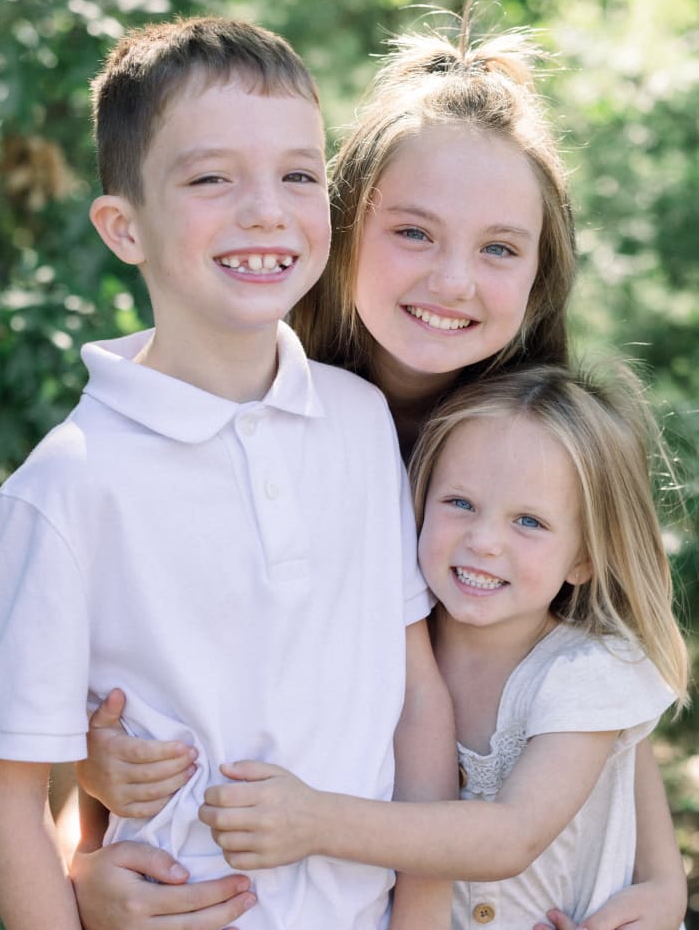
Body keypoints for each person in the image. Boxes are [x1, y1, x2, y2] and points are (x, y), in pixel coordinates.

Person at [69, 0, 688, 930]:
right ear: (339, 221)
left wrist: (662, 879)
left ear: (539, 274)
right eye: (412, 232)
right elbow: (157, 660)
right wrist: (88, 836)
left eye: (499, 249)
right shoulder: (249, 411)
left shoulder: (541, 450)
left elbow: (592, 665)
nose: (452, 282)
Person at [0, 16, 456, 930]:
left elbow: (417, 700)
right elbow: (13, 801)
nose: (265, 209)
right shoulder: (67, 489)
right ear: (123, 227)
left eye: (297, 174)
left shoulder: (360, 422)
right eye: (212, 178)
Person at [190, 363, 689, 930]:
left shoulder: (586, 674)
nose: (483, 541)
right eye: (460, 503)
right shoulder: (379, 651)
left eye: (529, 521)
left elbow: (511, 836)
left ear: (584, 558)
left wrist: (314, 821)